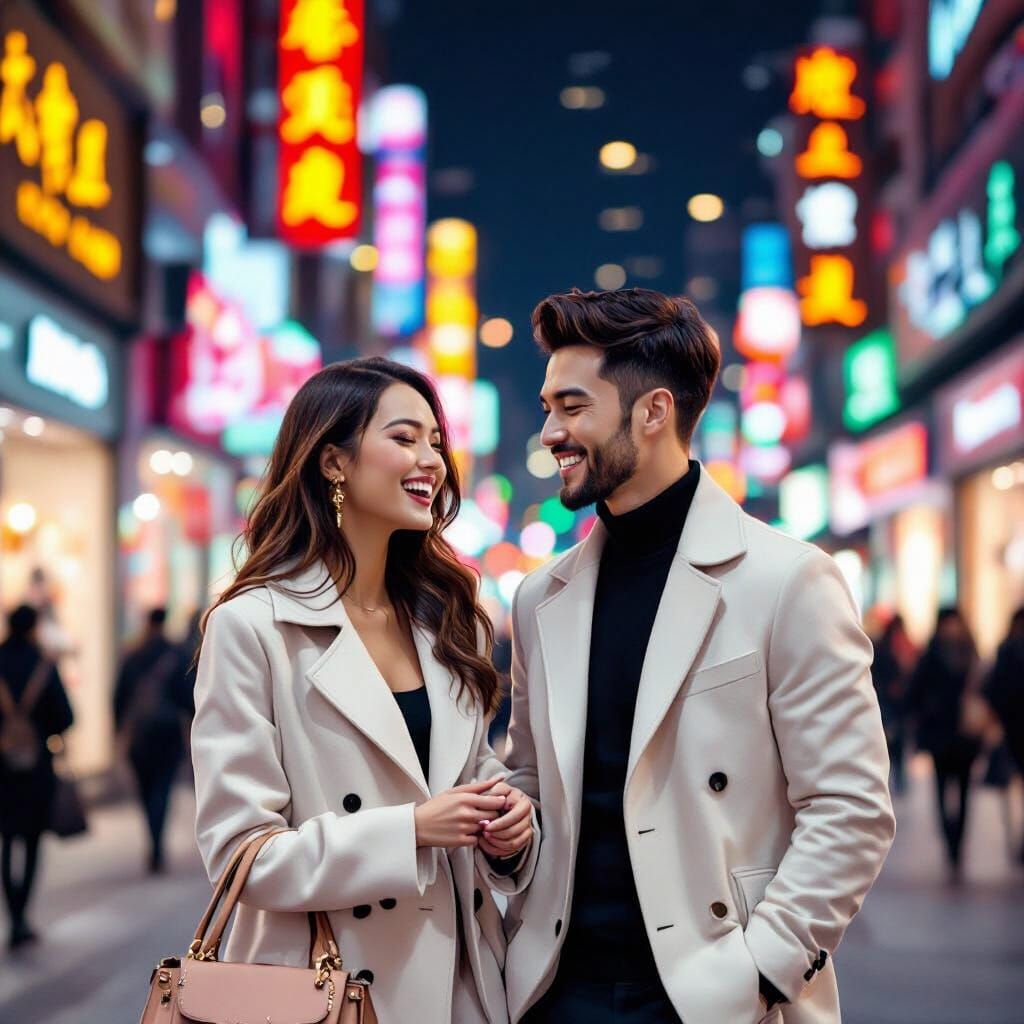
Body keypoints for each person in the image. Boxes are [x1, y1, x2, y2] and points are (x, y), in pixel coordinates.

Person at [499, 288, 895, 1024]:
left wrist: (759, 974)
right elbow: (532, 776)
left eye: (573, 407)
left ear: (653, 413)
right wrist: (504, 826)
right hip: (556, 990)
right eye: (548, 405)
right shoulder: (538, 599)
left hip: (715, 993)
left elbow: (851, 808)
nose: (550, 430)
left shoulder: (788, 580)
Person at [191, 358, 537, 1024]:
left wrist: (512, 823)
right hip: (325, 989)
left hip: (462, 983)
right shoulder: (256, 626)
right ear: (333, 463)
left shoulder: (445, 619)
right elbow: (241, 856)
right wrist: (409, 831)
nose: (431, 460)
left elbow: (472, 774)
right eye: (405, 438)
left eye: (436, 441)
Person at [0, 604, 74, 948]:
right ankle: (21, 916)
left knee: (5, 840)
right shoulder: (43, 665)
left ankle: (12, 911)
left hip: (2, 770)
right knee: (30, 841)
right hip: (36, 770)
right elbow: (66, 716)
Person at [114, 607, 193, 874]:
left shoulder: (134, 655)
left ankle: (153, 839)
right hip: (168, 733)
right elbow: (189, 696)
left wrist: (118, 732)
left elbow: (119, 697)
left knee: (146, 791)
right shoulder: (176, 655)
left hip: (140, 735)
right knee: (162, 789)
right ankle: (157, 845)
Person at [906, 607, 982, 878]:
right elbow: (915, 690)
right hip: (940, 735)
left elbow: (983, 688)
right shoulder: (932, 654)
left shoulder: (970, 653)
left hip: (964, 737)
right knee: (940, 789)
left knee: (962, 790)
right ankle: (949, 837)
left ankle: (957, 842)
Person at [983, 607, 1024, 862]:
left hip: (1013, 728)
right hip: (1014, 730)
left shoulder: (1006, 650)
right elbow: (995, 688)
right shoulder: (1007, 650)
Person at [872, 614, 916, 794]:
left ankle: (897, 776)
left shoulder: (900, 645)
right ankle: (894, 776)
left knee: (896, 741)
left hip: (897, 703)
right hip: (889, 702)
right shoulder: (887, 647)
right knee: (890, 740)